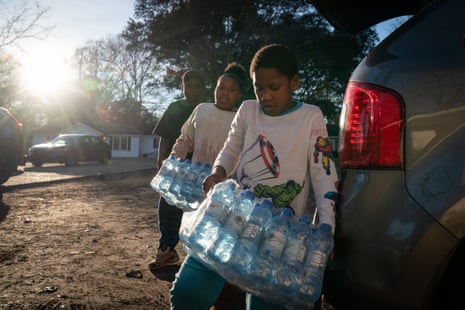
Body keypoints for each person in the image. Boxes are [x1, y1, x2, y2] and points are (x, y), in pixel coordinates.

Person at [170, 44, 339, 310]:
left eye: (274, 88)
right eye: (259, 88)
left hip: (277, 234)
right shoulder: (248, 110)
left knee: (263, 304)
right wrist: (218, 171)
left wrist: (328, 227)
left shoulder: (310, 117)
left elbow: (323, 173)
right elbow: (231, 148)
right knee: (188, 291)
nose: (265, 96)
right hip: (231, 218)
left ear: (294, 82)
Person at [170, 62, 249, 310]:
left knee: (221, 247)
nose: (223, 93)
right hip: (197, 189)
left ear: (239, 94)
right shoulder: (201, 110)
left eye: (231, 89)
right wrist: (173, 159)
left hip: (227, 195)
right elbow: (185, 139)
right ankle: (198, 292)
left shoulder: (242, 118)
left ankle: (222, 297)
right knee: (196, 241)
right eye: (220, 87)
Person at [149, 69, 205, 270]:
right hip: (175, 166)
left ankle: (198, 258)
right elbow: (164, 137)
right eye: (189, 86)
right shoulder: (174, 108)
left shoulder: (205, 109)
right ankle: (166, 250)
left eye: (197, 86)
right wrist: (162, 161)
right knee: (168, 206)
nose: (193, 90)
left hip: (199, 168)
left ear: (202, 88)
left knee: (197, 210)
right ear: (183, 87)